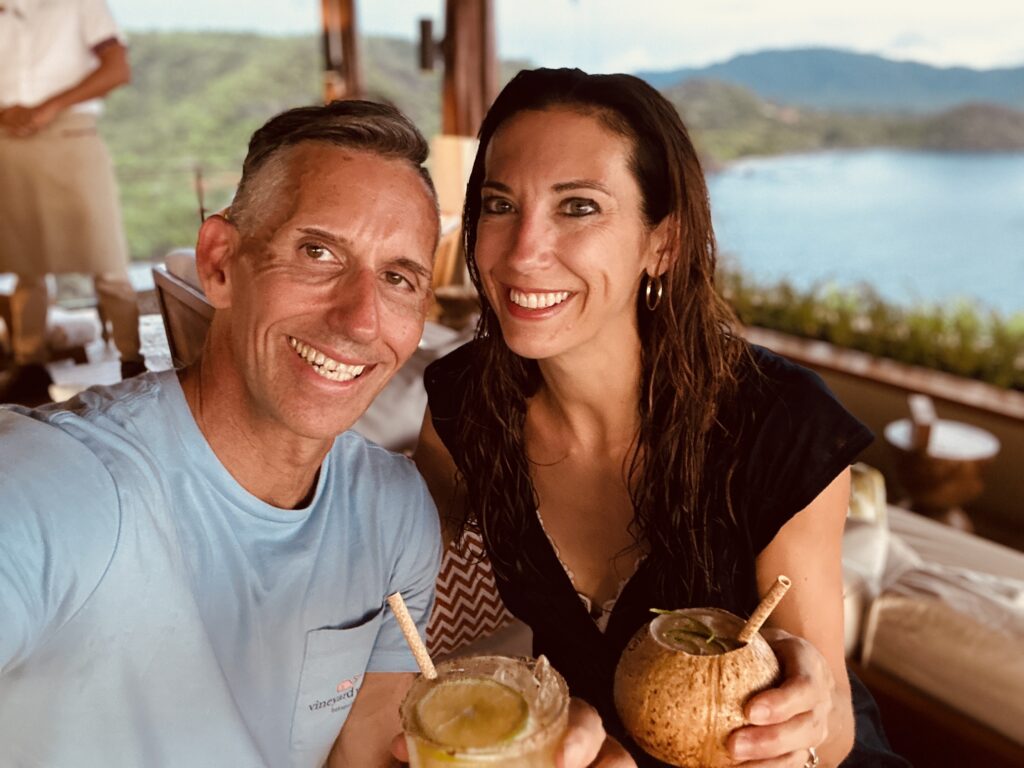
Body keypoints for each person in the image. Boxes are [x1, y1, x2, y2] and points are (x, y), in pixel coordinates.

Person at [0, 99, 619, 768]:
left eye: (396, 277)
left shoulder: (393, 514)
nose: (359, 319)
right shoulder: (55, 489)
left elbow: (366, 754)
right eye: (318, 251)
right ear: (219, 262)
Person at [415, 68, 910, 767]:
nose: (523, 252)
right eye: (499, 204)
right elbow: (375, 581)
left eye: (578, 207)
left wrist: (803, 704)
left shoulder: (782, 427)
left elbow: (829, 739)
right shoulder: (464, 409)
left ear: (663, 243)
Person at [0, 0, 144, 406]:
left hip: (72, 137)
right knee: (26, 265)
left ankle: (132, 361)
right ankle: (29, 367)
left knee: (107, 258)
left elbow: (118, 69)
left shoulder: (80, 4)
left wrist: (47, 109)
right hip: (8, 142)